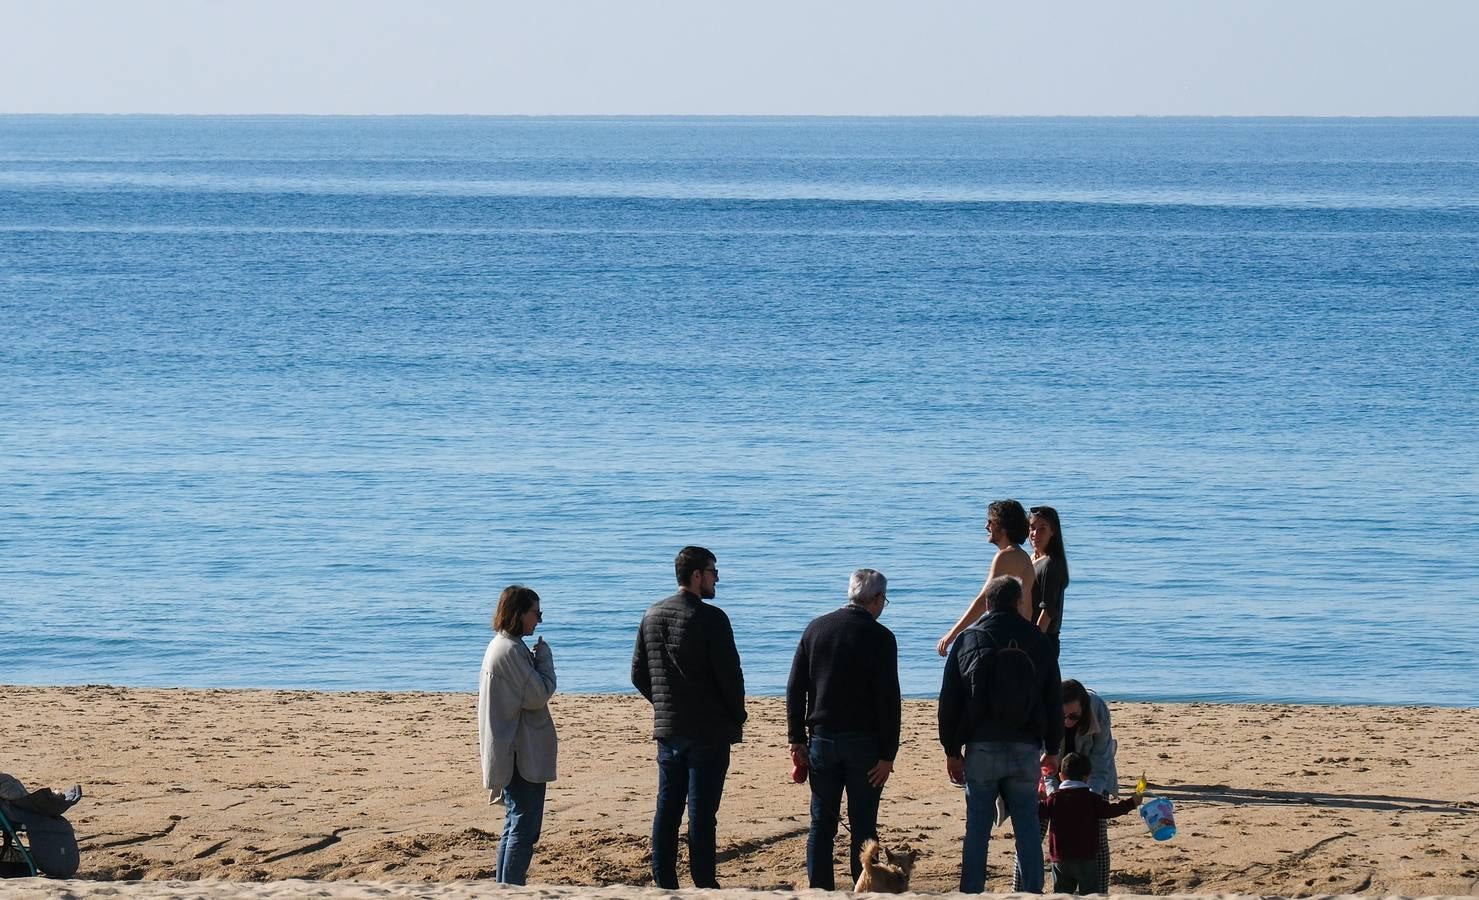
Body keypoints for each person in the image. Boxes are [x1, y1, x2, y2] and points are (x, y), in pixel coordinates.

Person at [938, 575, 1063, 894]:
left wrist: (952, 750)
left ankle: (971, 891)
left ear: (988, 603)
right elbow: (1052, 699)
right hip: (1025, 746)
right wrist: (1053, 746)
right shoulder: (1037, 639)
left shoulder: (969, 639)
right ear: (1019, 602)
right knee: (1027, 829)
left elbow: (950, 699)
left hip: (981, 744)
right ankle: (1033, 891)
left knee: (977, 830)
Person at [631, 546, 746, 889]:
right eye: (713, 571)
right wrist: (736, 714)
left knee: (667, 808)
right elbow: (730, 676)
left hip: (670, 726)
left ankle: (664, 879)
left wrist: (664, 703)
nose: (716, 578)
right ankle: (704, 882)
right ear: (696, 575)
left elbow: (638, 673)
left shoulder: (651, 614)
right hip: (707, 730)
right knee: (701, 813)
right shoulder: (712, 618)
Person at [785, 568, 902, 890]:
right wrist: (888, 754)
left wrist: (796, 737)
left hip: (822, 740)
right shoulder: (881, 637)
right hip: (865, 744)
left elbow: (795, 687)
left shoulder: (816, 629)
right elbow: (889, 700)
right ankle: (861, 888)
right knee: (864, 825)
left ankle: (820, 890)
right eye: (884, 600)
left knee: (822, 823)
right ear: (876, 599)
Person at [478, 585, 557, 885]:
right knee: (524, 827)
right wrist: (545, 659)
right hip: (520, 753)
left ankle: (504, 886)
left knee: (514, 824)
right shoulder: (510, 650)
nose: (538, 621)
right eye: (536, 613)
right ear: (519, 613)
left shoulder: (502, 645)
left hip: (512, 748)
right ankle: (510, 888)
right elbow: (539, 693)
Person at [937, 499, 1036, 656]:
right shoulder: (1023, 557)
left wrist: (952, 635)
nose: (986, 526)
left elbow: (985, 600)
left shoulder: (1006, 556)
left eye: (990, 522)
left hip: (1006, 637)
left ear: (1002, 526)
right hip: (1021, 638)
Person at [1038, 753, 1140, 894]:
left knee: (1061, 894)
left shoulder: (1054, 799)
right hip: (1086, 858)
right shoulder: (1092, 799)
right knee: (1090, 894)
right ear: (1087, 778)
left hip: (1061, 858)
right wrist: (1132, 803)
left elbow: (1038, 811)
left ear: (1061, 776)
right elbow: (1110, 811)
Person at [1028, 505, 1069, 644]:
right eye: (1032, 528)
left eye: (1042, 529)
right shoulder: (1032, 558)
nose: (1035, 533)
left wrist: (1031, 644)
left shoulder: (1050, 564)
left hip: (1042, 640)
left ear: (1053, 531)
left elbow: (1047, 612)